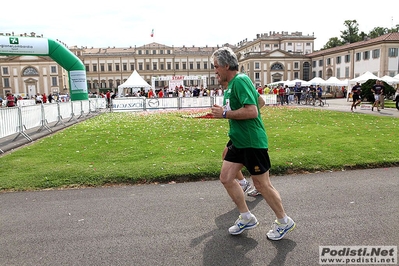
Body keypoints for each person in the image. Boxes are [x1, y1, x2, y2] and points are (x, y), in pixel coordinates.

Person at [210, 47, 295, 240]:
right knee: (226, 177)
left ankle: (284, 221)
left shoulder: (240, 80)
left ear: (225, 65)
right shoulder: (233, 85)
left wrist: (225, 114)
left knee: (262, 184)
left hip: (252, 142)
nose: (215, 71)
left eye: (216, 66)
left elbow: (253, 111)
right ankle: (246, 217)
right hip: (239, 141)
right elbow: (261, 102)